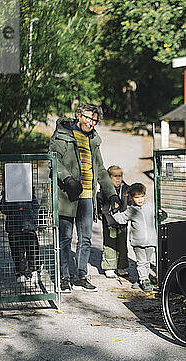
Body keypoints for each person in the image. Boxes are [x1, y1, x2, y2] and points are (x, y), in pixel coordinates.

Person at [49, 104, 120, 293]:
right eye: (88, 118)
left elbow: (101, 169)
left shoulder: (94, 140)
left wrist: (111, 192)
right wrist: (68, 179)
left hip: (88, 196)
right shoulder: (62, 135)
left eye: (95, 120)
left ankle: (81, 275)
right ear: (79, 116)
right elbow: (53, 160)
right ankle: (64, 277)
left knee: (85, 238)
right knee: (65, 239)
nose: (91, 122)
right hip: (67, 195)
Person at [112, 183, 158, 292]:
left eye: (141, 196)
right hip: (138, 242)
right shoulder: (131, 210)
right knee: (141, 262)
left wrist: (161, 213)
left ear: (144, 195)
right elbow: (121, 219)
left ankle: (141, 279)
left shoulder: (151, 207)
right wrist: (114, 211)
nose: (140, 199)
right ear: (132, 198)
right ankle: (144, 280)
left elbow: (160, 214)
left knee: (147, 261)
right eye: (137, 198)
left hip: (151, 240)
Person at [0, 188, 40, 284]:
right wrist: (7, 197)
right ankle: (20, 272)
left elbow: (35, 206)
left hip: (28, 226)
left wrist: (33, 220)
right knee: (17, 251)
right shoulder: (9, 191)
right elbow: (3, 208)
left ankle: (33, 271)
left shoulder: (28, 189)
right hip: (14, 227)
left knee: (32, 250)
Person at [97, 165, 131, 278]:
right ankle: (109, 267)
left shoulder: (126, 188)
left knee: (122, 243)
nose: (118, 179)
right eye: (115, 176)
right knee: (110, 243)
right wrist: (99, 212)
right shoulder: (104, 188)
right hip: (109, 219)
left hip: (123, 219)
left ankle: (121, 267)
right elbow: (98, 200)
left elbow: (131, 201)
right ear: (109, 177)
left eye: (120, 176)